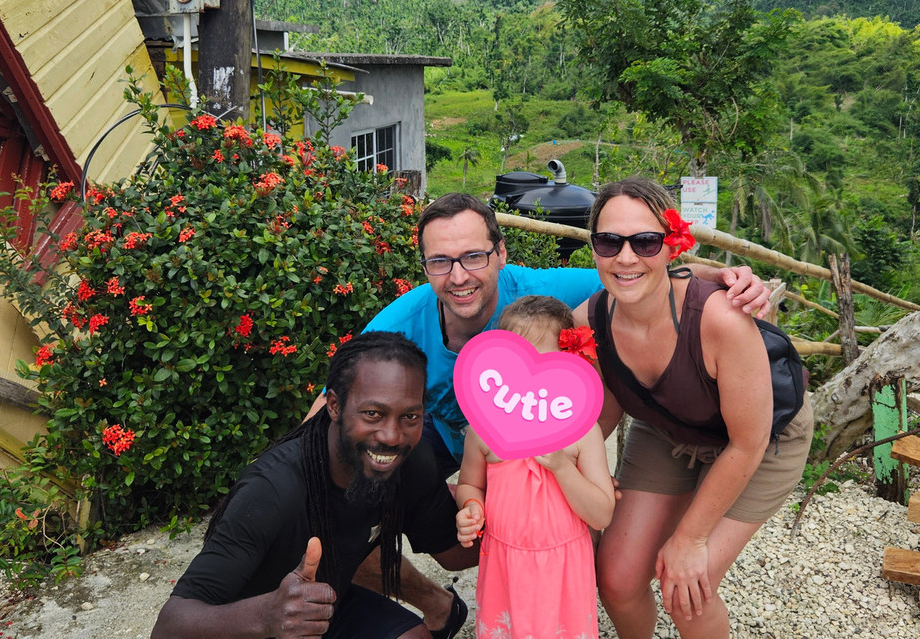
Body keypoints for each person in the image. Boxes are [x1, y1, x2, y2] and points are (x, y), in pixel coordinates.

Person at [303, 192, 771, 633]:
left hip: (544, 449)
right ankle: (437, 602)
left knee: (613, 563)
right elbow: (334, 401)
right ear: (425, 266)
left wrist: (728, 278)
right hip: (448, 445)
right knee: (330, 499)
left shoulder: (542, 293)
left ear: (501, 254)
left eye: (473, 256)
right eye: (441, 261)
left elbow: (638, 270)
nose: (459, 276)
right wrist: (298, 480)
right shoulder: (401, 324)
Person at [574, 177, 813, 639]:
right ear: (594, 248)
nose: (626, 257)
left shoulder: (719, 319)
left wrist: (690, 538)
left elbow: (747, 443)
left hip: (761, 440)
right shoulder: (590, 321)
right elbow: (599, 416)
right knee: (617, 580)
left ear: (672, 245)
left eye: (646, 241)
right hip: (667, 427)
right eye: (609, 242)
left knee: (686, 588)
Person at [151, 332, 477, 639]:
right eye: (373, 414)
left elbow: (454, 554)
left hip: (321, 609)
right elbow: (169, 626)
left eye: (410, 417)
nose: (392, 436)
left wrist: (492, 499)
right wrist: (269, 615)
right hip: (249, 623)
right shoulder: (273, 490)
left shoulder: (409, 460)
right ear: (334, 405)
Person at [454, 296, 615, 639]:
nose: (531, 384)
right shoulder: (484, 431)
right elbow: (470, 484)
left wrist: (562, 467)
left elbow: (601, 514)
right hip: (504, 565)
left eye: (545, 365)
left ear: (572, 366)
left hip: (564, 568)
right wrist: (471, 507)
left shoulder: (583, 433)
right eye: (519, 365)